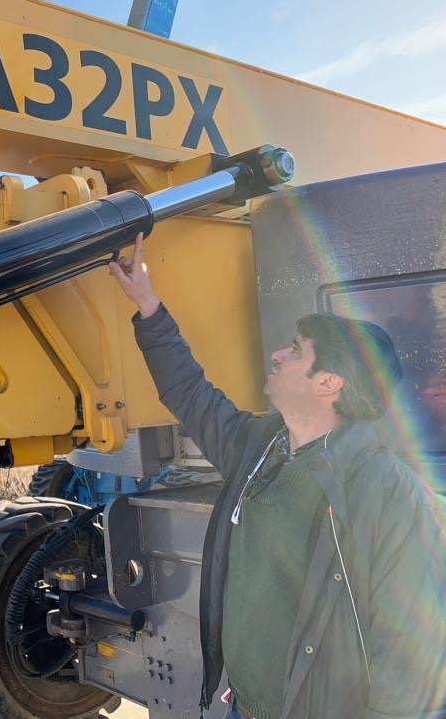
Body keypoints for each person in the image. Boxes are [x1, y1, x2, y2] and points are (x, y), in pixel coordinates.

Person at [108, 233, 446, 719]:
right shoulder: (259, 446)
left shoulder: (384, 491)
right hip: (242, 705)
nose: (278, 356)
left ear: (329, 382)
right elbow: (190, 393)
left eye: (295, 350)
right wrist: (148, 306)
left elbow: (411, 654)